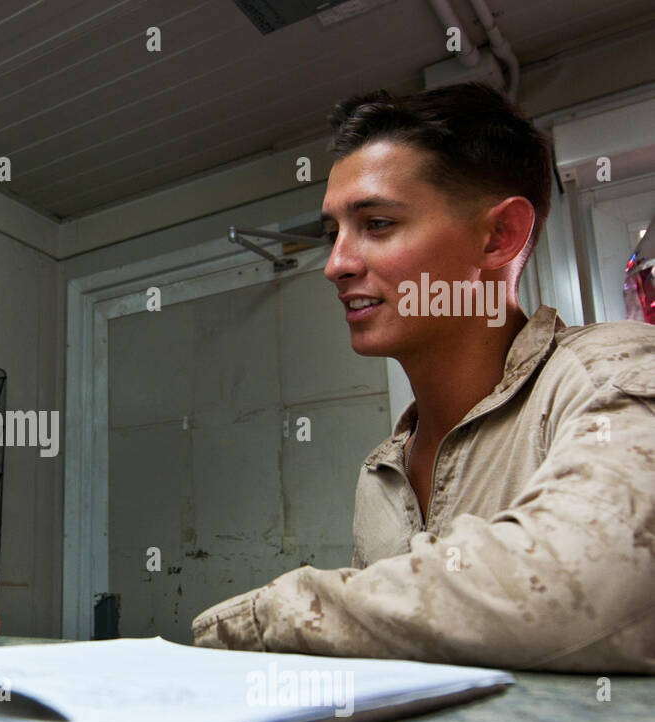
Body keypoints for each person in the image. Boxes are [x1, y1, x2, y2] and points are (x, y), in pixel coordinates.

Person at [193, 83, 655, 672]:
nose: (336, 264)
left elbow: (590, 579)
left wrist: (268, 617)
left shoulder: (609, 373)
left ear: (499, 237)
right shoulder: (380, 473)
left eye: (377, 223)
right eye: (334, 231)